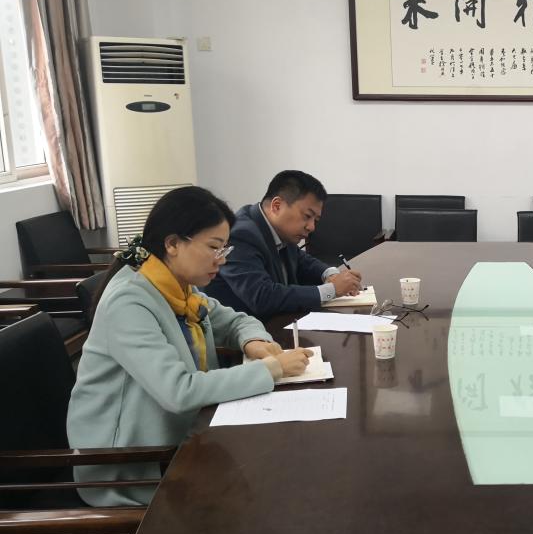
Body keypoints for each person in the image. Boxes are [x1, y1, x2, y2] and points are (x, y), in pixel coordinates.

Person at [67, 186, 312, 506]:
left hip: (184, 437)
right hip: (131, 464)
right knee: (265, 491)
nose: (221, 260)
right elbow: (178, 391)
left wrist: (254, 341)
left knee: (274, 472)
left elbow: (236, 320)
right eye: (213, 247)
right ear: (172, 244)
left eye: (224, 248)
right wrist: (272, 368)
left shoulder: (178, 287)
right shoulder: (128, 302)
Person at [206, 170, 362, 319]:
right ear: (277, 206)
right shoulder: (240, 234)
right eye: (307, 216)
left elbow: (302, 261)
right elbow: (262, 297)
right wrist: (332, 289)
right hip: (241, 332)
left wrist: (330, 274)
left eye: (315, 220)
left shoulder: (281, 231)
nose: (311, 227)